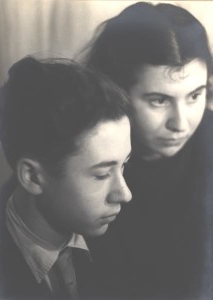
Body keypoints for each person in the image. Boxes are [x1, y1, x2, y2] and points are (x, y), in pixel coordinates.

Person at [79, 2, 213, 300]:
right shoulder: (77, 155)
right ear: (117, 91)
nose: (181, 123)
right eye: (158, 100)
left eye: (195, 95)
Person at [0, 56, 132, 300]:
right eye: (101, 175)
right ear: (33, 177)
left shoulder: (129, 236)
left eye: (125, 165)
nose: (125, 194)